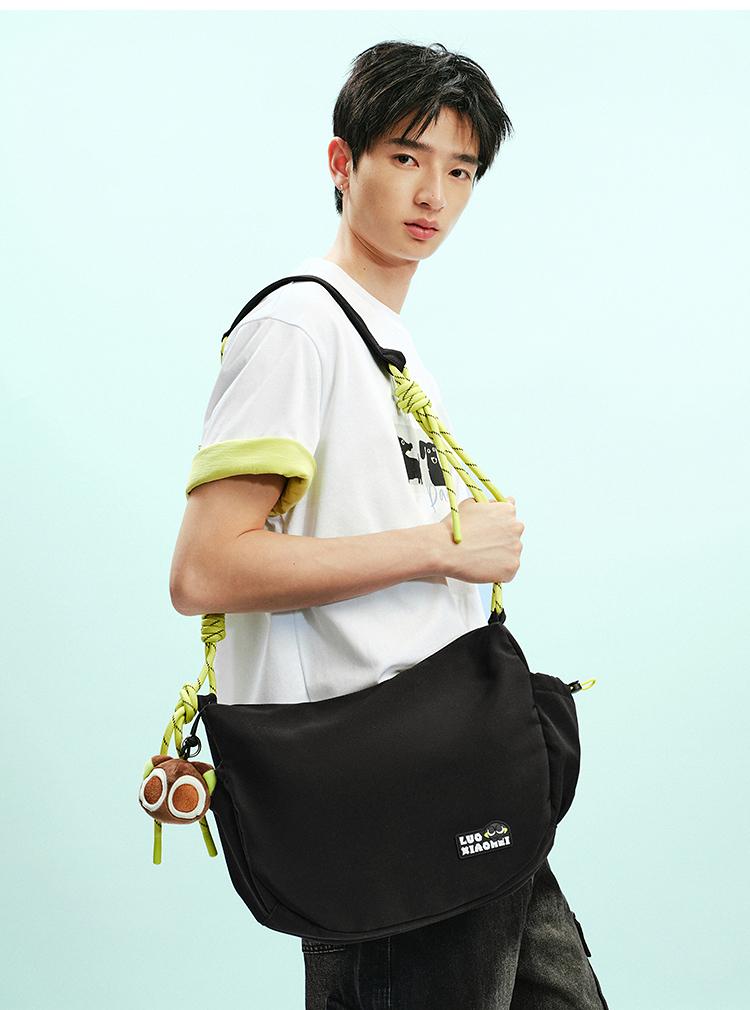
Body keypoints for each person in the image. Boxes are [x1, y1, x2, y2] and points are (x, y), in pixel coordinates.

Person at [170, 40, 607, 1010]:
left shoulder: (392, 350)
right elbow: (206, 569)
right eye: (407, 156)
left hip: (458, 765)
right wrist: (441, 548)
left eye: (461, 170)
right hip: (375, 790)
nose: (433, 194)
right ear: (344, 161)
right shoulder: (297, 329)